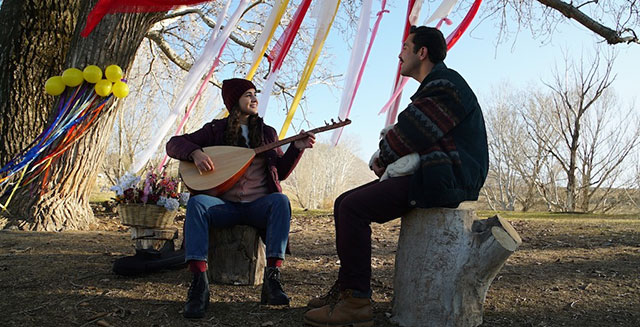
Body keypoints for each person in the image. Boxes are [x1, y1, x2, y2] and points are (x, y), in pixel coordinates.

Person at [303, 26, 489, 327]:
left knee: (353, 208)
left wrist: (383, 156)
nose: (399, 54)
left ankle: (357, 302)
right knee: (343, 202)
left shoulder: (445, 85)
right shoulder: (438, 85)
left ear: (422, 52)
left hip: (448, 178)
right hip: (437, 171)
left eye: (405, 46)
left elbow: (409, 134)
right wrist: (388, 151)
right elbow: (408, 133)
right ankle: (347, 289)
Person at [166, 78, 315, 319]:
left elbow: (281, 172)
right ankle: (199, 285)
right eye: (248, 94)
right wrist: (195, 153)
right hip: (223, 206)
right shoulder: (215, 131)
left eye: (255, 94)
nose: (254, 98)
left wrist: (296, 148)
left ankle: (273, 280)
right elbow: (174, 144)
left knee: (280, 201)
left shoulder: (267, 133)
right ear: (234, 101)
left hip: (258, 206)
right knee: (196, 203)